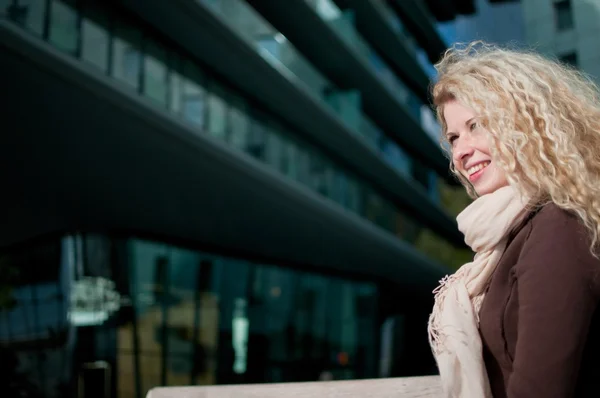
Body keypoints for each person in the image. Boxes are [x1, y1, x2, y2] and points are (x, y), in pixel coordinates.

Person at [427, 42, 600, 398]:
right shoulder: (515, 233)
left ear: (526, 123)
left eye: (477, 125)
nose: (461, 150)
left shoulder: (560, 225)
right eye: (454, 137)